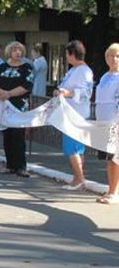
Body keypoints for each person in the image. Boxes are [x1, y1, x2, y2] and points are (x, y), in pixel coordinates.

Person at [0, 42, 34, 178]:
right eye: (15, 50)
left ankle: (21, 166)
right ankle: (10, 164)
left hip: (19, 105)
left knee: (18, 135)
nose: (18, 53)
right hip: (4, 105)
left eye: (20, 50)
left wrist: (9, 94)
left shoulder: (26, 67)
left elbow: (27, 85)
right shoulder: (3, 66)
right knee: (7, 135)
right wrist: (1, 93)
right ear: (9, 52)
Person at [57, 40, 94, 190]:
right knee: (76, 148)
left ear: (73, 54)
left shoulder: (84, 71)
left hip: (76, 115)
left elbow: (86, 93)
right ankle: (77, 177)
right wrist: (59, 91)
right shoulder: (74, 70)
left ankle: (80, 179)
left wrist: (68, 93)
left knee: (72, 148)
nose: (66, 56)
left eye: (67, 53)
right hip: (69, 113)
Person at [95, 43, 119, 204]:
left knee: (115, 158)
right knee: (109, 158)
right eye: (111, 55)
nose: (114, 59)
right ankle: (111, 188)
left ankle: (114, 191)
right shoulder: (105, 76)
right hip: (103, 121)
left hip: (115, 121)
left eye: (117, 56)